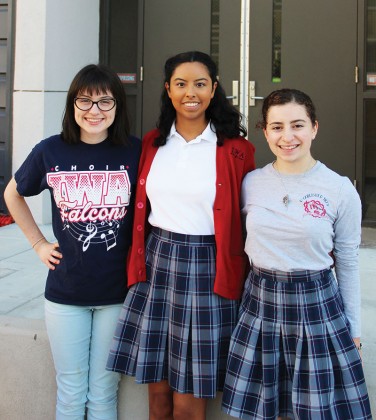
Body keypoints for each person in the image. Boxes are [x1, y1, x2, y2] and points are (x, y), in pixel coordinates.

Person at [106, 51, 256, 419]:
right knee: (157, 394)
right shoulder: (153, 142)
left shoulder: (237, 150)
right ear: (168, 90)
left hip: (209, 270)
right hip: (156, 267)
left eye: (200, 84)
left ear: (214, 89)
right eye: (181, 84)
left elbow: (249, 216)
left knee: (190, 400)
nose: (191, 92)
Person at [221, 88, 372, 419]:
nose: (287, 136)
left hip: (317, 307)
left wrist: (354, 331)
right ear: (265, 131)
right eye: (276, 127)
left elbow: (347, 264)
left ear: (314, 128)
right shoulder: (250, 183)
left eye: (297, 125)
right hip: (260, 305)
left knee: (311, 410)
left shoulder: (340, 189)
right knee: (265, 409)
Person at [4, 64, 141, 419]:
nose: (95, 111)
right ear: (72, 105)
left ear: (118, 107)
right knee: (70, 390)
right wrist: (37, 243)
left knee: (103, 392)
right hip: (66, 291)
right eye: (85, 101)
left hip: (118, 293)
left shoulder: (135, 152)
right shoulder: (51, 150)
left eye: (105, 102)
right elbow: (13, 195)